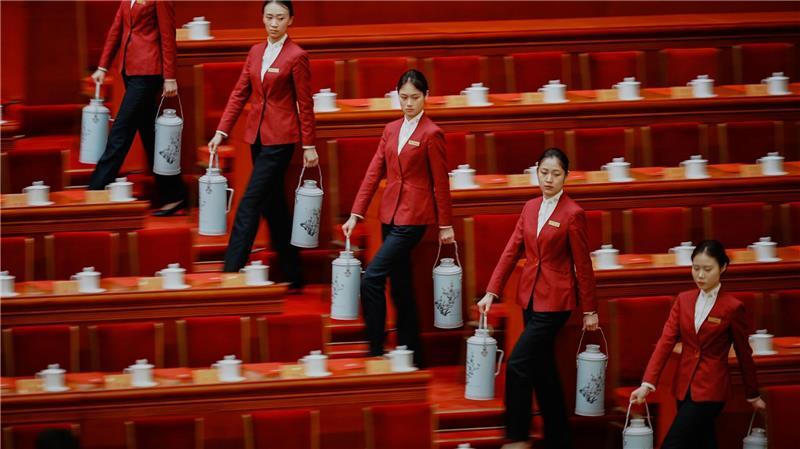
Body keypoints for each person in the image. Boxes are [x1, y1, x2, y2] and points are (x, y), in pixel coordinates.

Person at [477, 148, 598, 449]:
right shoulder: (530, 207)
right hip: (529, 298)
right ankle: (560, 436)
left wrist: (589, 310)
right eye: (544, 172)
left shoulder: (573, 213)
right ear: (537, 172)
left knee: (518, 363)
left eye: (556, 174)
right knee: (543, 370)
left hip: (555, 301)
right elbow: (510, 251)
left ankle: (517, 436)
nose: (549, 179)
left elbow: (583, 265)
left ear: (566, 177)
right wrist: (492, 291)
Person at [342, 69, 454, 366]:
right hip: (389, 213)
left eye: (414, 98)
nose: (408, 104)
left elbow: (440, 182)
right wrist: (356, 213)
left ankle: (377, 349)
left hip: (414, 217)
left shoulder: (432, 133)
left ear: (426, 97)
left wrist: (445, 224)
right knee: (402, 286)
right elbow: (373, 172)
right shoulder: (391, 129)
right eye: (403, 98)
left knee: (372, 278)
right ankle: (413, 353)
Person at [208, 0, 318, 287]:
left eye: (280, 18)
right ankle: (294, 274)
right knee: (274, 206)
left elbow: (305, 104)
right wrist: (221, 131)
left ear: (290, 20)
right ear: (262, 18)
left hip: (281, 139)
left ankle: (230, 273)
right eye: (269, 17)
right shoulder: (255, 51)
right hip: (256, 136)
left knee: (249, 204)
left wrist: (309, 145)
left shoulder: (297, 55)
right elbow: (239, 94)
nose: (274, 23)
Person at [630, 240, 765, 449]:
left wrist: (753, 393)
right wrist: (647, 384)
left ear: (723, 268)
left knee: (673, 444)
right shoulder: (683, 300)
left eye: (707, 269)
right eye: (695, 268)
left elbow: (743, 353)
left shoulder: (732, 307)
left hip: (711, 390)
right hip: (684, 388)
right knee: (704, 443)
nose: (700, 275)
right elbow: (665, 341)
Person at [89, 0, 187, 216]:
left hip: (148, 72)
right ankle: (175, 194)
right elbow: (117, 27)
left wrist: (170, 76)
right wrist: (103, 66)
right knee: (150, 135)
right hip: (128, 69)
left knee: (121, 131)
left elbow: (168, 36)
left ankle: (95, 190)